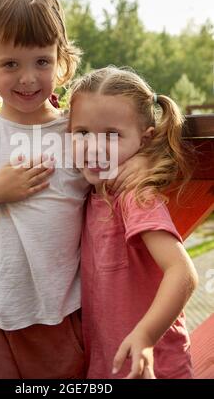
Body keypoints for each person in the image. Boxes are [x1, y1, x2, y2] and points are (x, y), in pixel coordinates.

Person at [0, 0, 147, 379]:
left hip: (63, 318)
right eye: (10, 64)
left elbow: (121, 166)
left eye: (41, 62)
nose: (29, 78)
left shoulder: (77, 134)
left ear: (62, 61)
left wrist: (136, 169)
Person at [69, 66, 198, 379]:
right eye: (82, 133)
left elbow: (183, 273)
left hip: (154, 367)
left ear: (145, 140)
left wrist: (146, 336)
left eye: (112, 135)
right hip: (109, 367)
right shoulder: (90, 192)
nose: (95, 147)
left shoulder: (134, 197)